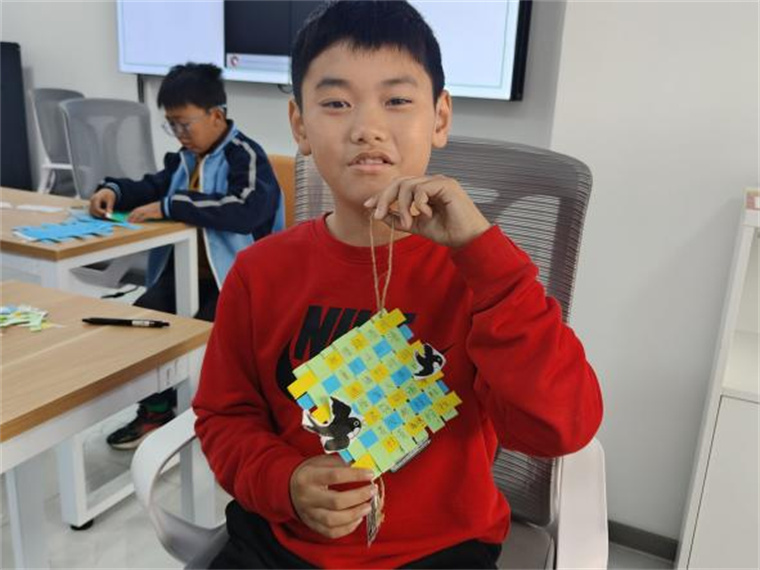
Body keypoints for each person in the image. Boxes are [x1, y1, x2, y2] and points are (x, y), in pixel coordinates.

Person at [193, 1, 603, 568]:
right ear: (299, 125)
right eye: (336, 103)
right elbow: (224, 416)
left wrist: (486, 259)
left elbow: (561, 427)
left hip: (440, 551)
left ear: (440, 118)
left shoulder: (484, 279)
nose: (367, 127)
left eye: (397, 101)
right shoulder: (259, 274)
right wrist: (283, 480)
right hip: (280, 541)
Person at [90, 62, 284, 450]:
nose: (180, 134)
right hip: (183, 273)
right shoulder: (183, 159)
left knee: (201, 337)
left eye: (184, 124)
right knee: (143, 321)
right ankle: (157, 411)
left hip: (234, 281)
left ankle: (211, 420)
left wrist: (172, 205)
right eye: (171, 126)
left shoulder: (246, 156)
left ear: (216, 116)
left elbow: (245, 210)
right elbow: (152, 187)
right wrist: (114, 191)